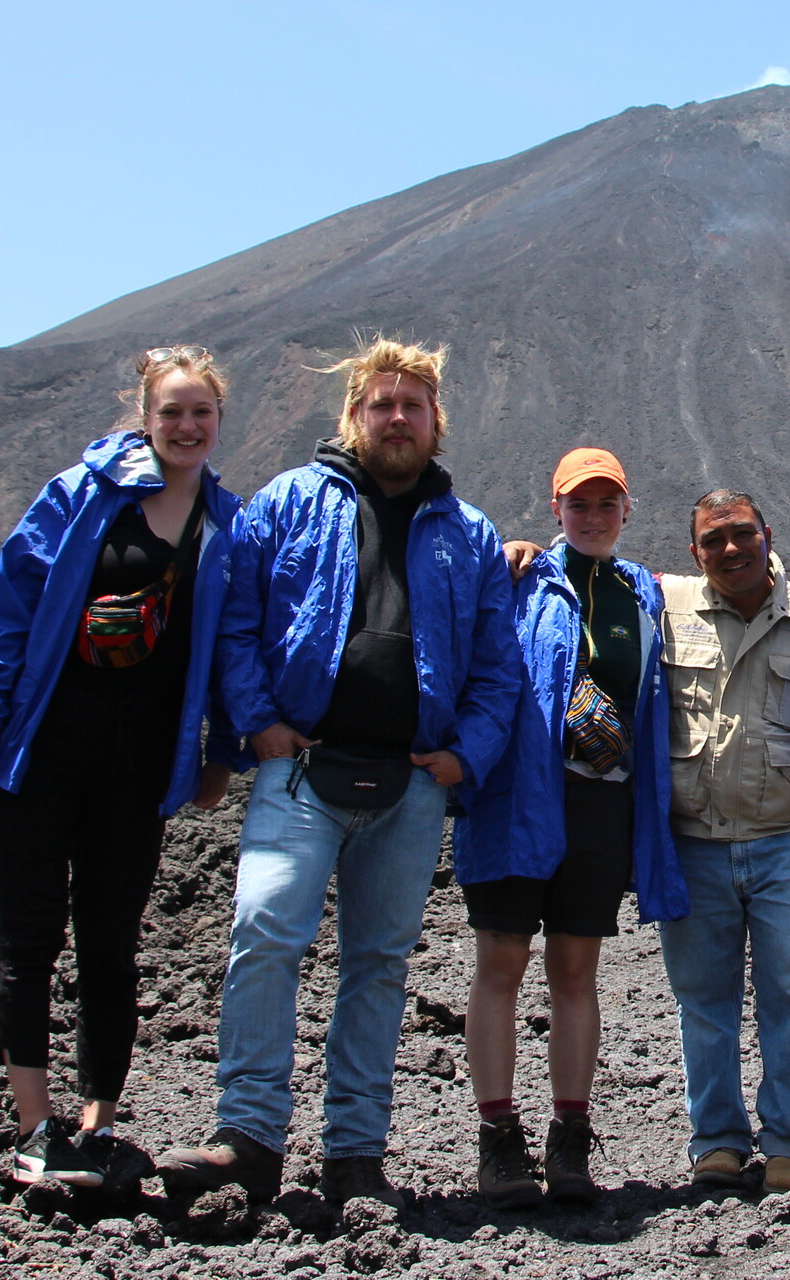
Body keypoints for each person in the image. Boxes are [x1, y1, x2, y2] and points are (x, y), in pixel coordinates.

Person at [157, 337, 521, 1208]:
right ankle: (247, 1136)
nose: (398, 419)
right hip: (301, 770)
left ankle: (355, 1152)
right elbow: (238, 621)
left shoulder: (465, 533)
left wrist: (461, 756)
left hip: (410, 786)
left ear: (437, 421)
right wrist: (259, 724)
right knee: (266, 931)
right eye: (381, 404)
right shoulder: (289, 502)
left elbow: (495, 667)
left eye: (414, 406)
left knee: (379, 964)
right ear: (352, 415)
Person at [0, 345, 243, 1187]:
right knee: (33, 935)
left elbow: (231, 648)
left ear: (219, 422)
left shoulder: (225, 526)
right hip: (43, 750)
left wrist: (218, 753)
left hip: (140, 766)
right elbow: (14, 599)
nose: (186, 428)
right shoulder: (83, 498)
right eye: (172, 413)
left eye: (201, 414)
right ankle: (36, 1126)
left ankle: (98, 1124)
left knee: (113, 947)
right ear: (145, 418)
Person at [452, 447, 684, 1208]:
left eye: (606, 504)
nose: (592, 517)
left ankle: (570, 1139)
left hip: (599, 804)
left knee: (577, 969)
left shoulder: (640, 593)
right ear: (554, 510)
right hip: (518, 796)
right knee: (503, 961)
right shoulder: (516, 578)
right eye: (577, 504)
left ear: (626, 511)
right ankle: (498, 1139)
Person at [656, 489, 790, 1194]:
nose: (730, 550)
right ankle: (718, 1141)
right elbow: (588, 566)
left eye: (741, 534)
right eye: (713, 541)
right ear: (693, 552)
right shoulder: (666, 612)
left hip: (786, 837)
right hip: (695, 841)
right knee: (703, 998)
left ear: (767, 533)